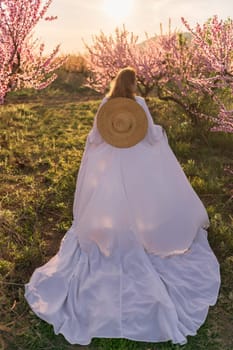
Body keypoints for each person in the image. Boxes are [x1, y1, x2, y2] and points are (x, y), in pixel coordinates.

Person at [24, 67, 221, 346]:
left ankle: (114, 227)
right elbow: (151, 136)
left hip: (110, 166)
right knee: (141, 200)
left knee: (112, 202)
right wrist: (158, 133)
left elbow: (94, 137)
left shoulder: (106, 105)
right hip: (136, 164)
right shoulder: (139, 104)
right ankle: (139, 228)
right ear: (133, 83)